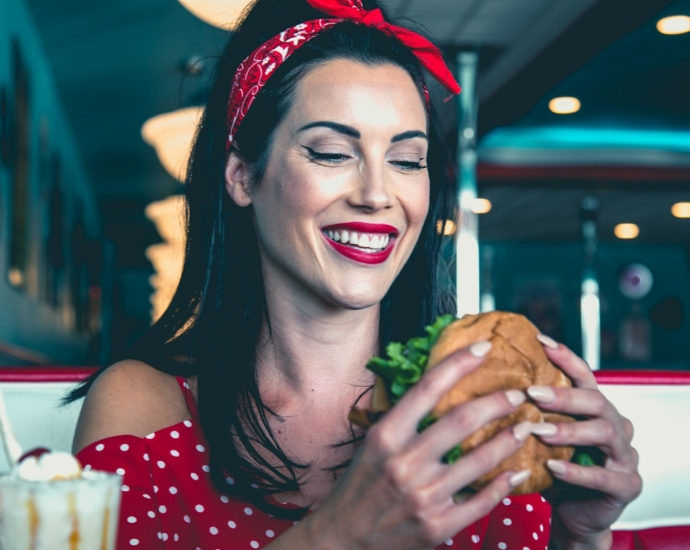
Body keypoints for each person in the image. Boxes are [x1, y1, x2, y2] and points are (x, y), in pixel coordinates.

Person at [70, 0, 642, 548]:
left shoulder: (486, 403)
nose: (376, 195)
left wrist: (579, 537)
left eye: (405, 160)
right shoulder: (142, 407)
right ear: (243, 176)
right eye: (331, 152)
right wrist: (343, 532)